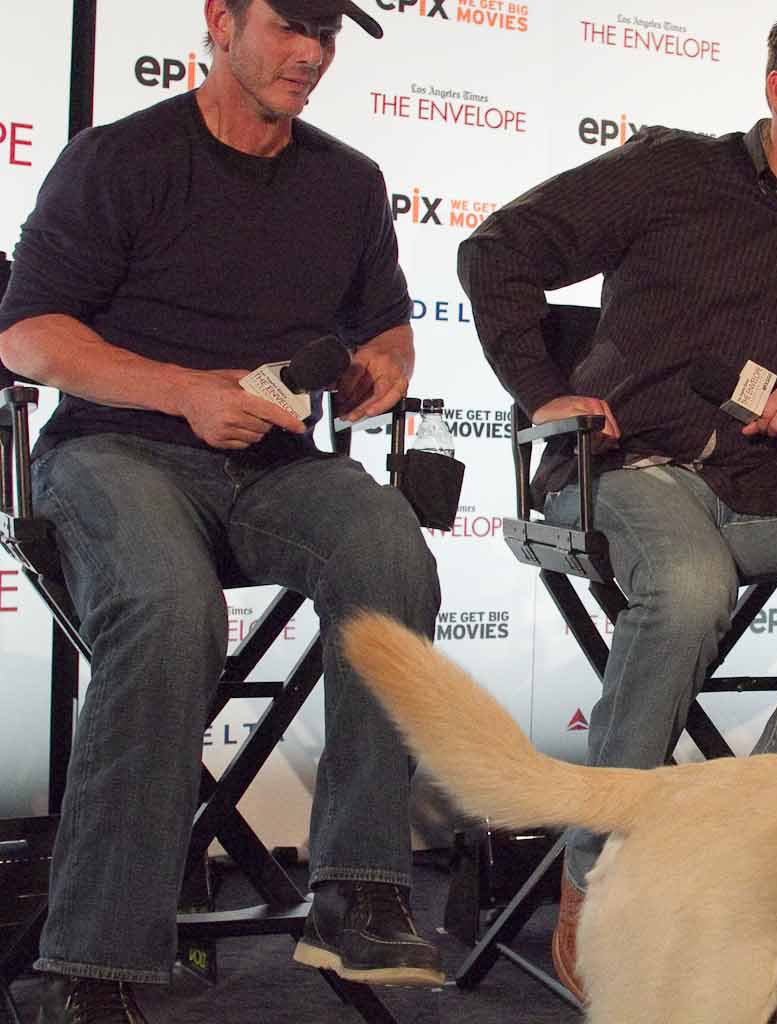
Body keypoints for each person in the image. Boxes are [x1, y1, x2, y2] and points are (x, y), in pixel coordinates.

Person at [458, 2, 777, 1000]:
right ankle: (596, 874)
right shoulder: (672, 172)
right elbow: (496, 252)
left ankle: (772, 830)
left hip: (767, 484)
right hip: (626, 471)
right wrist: (542, 391)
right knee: (688, 583)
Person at [0, 3, 444, 1019]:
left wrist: (383, 367)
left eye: (325, 36)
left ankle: (358, 889)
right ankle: (95, 967)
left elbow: (389, 328)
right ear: (219, 19)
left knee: (390, 548)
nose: (309, 53)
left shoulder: (349, 182)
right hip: (119, 450)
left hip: (276, 466)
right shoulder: (119, 159)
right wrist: (183, 389)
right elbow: (27, 337)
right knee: (167, 606)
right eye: (289, 25)